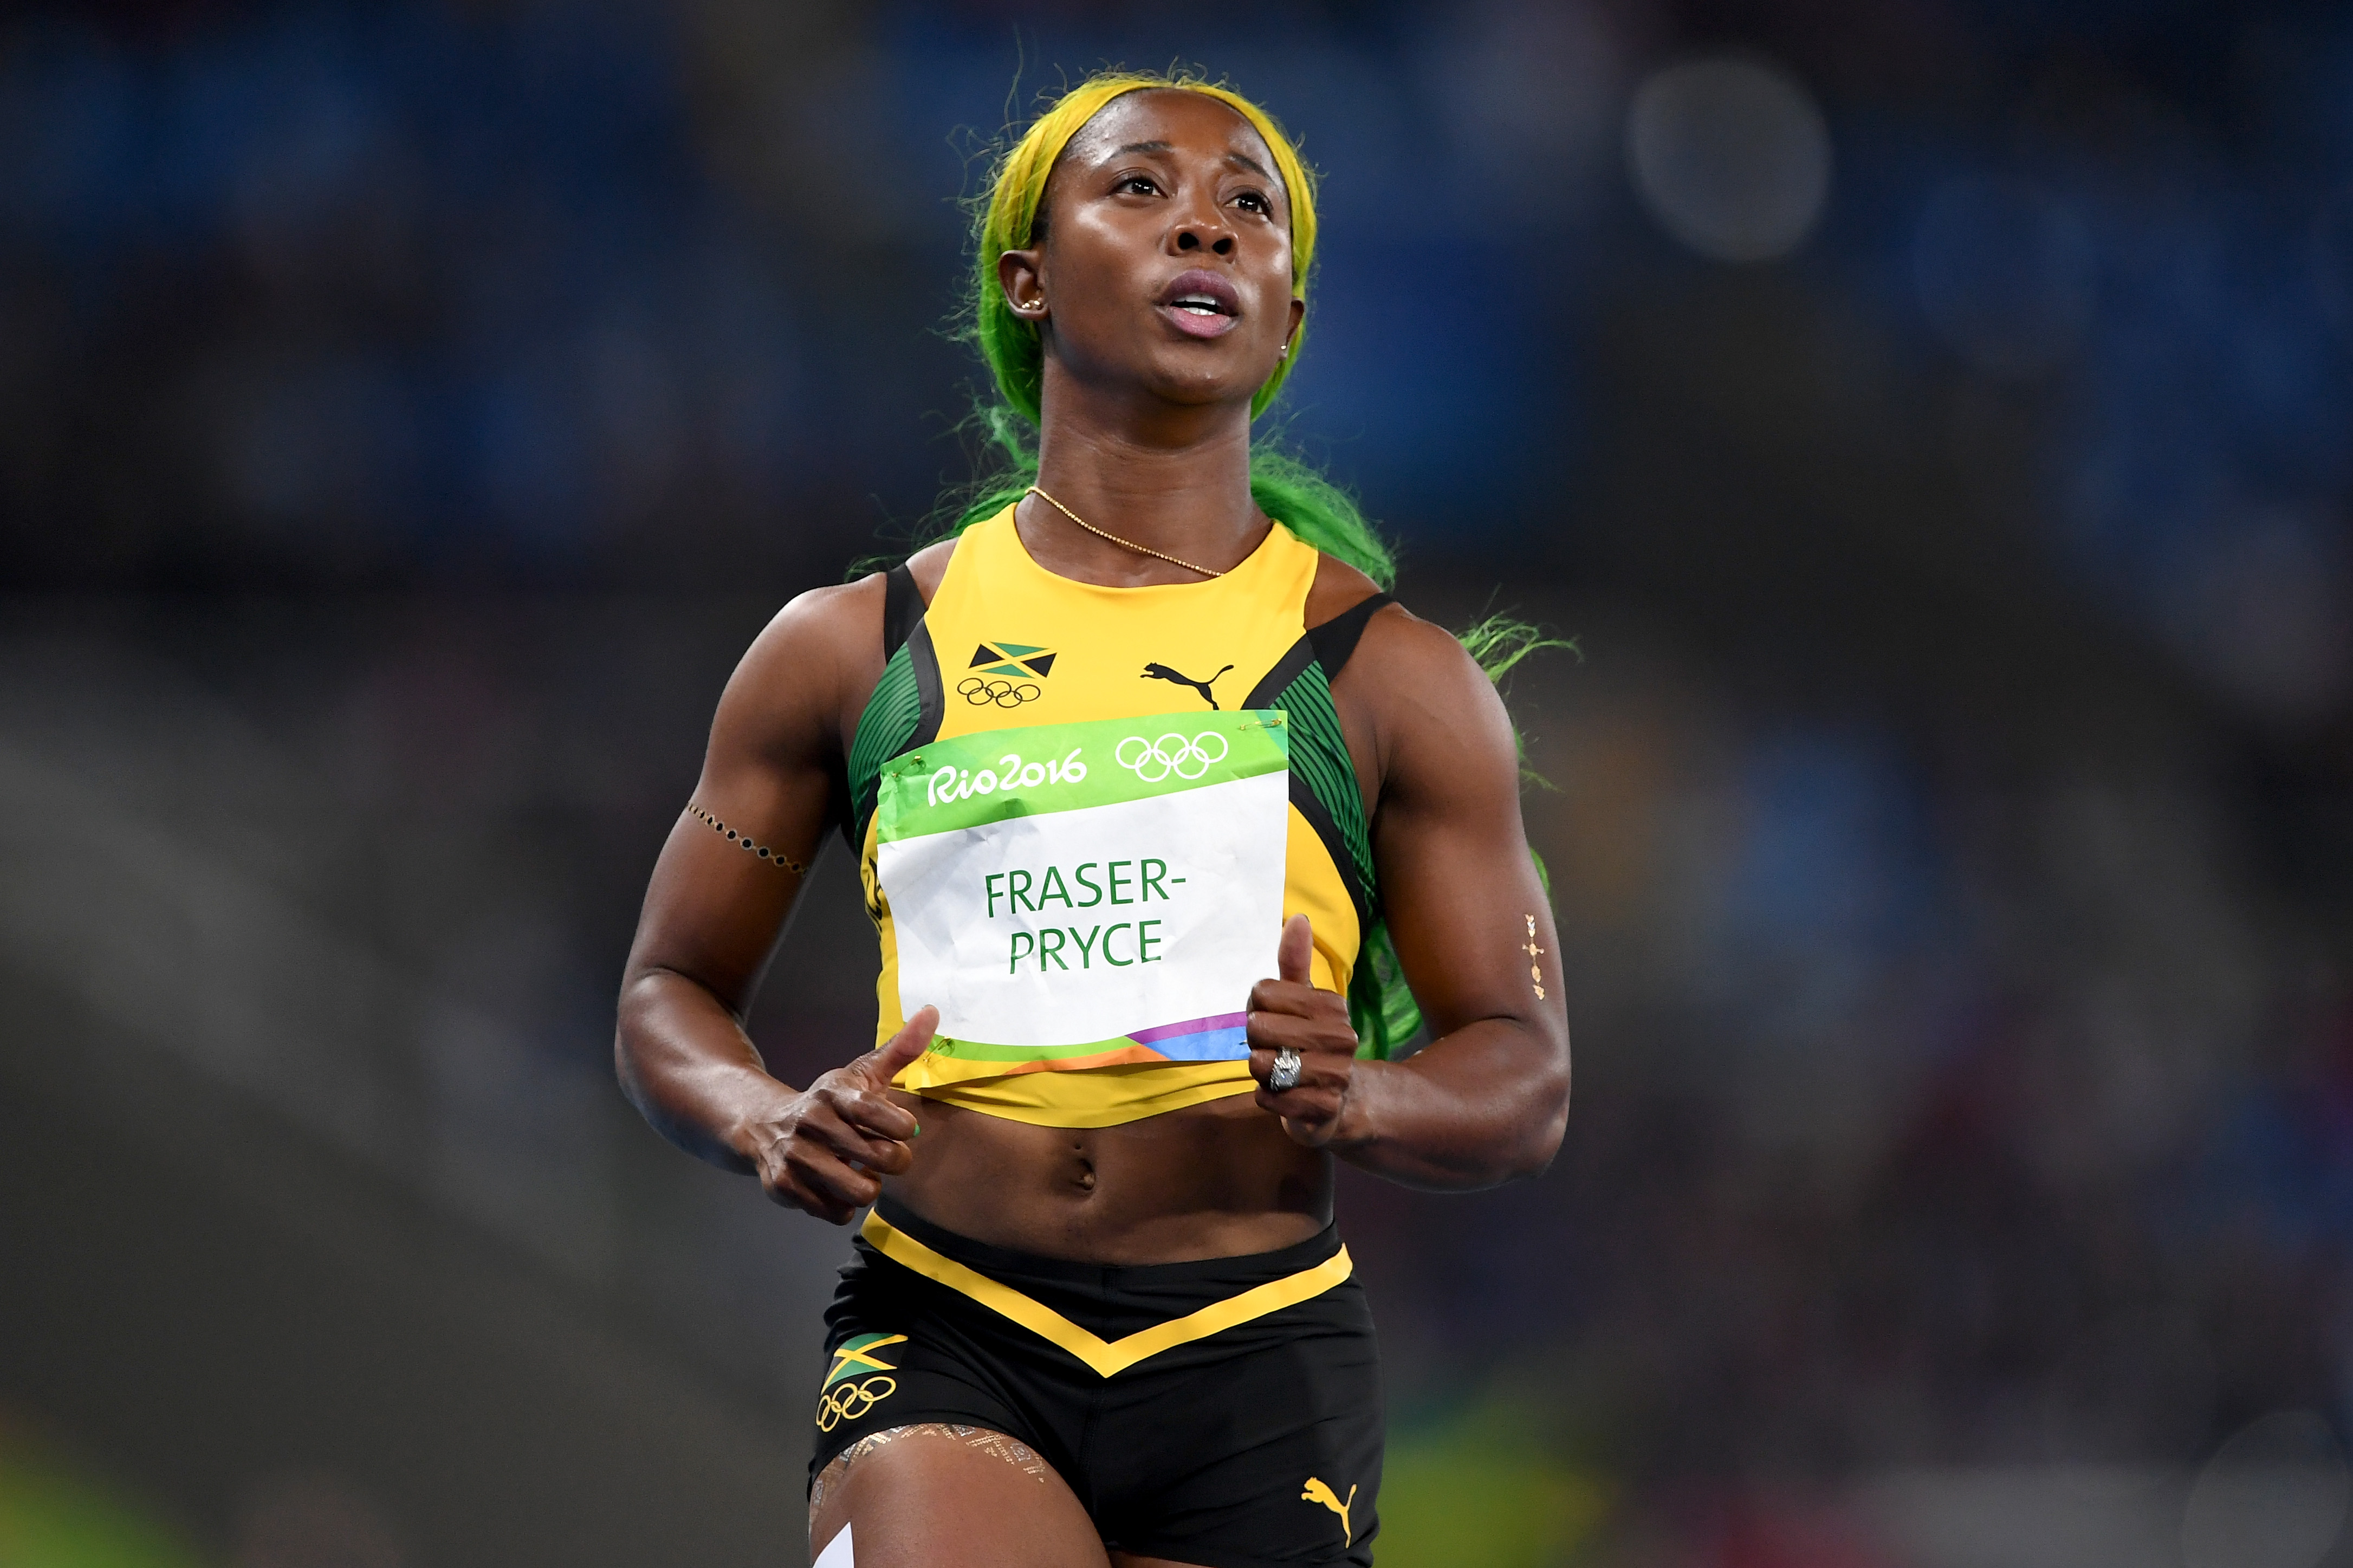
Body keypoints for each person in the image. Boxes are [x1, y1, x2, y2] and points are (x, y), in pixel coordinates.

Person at [615, 69, 1570, 1568]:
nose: (1207, 227)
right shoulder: (853, 651)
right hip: (952, 1323)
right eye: (1142, 191)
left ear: (1289, 320)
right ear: (1031, 279)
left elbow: (1522, 1076)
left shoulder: (1394, 682)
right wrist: (762, 1116)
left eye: (1250, 211)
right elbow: (668, 993)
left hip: (1254, 1353)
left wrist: (1363, 1098)